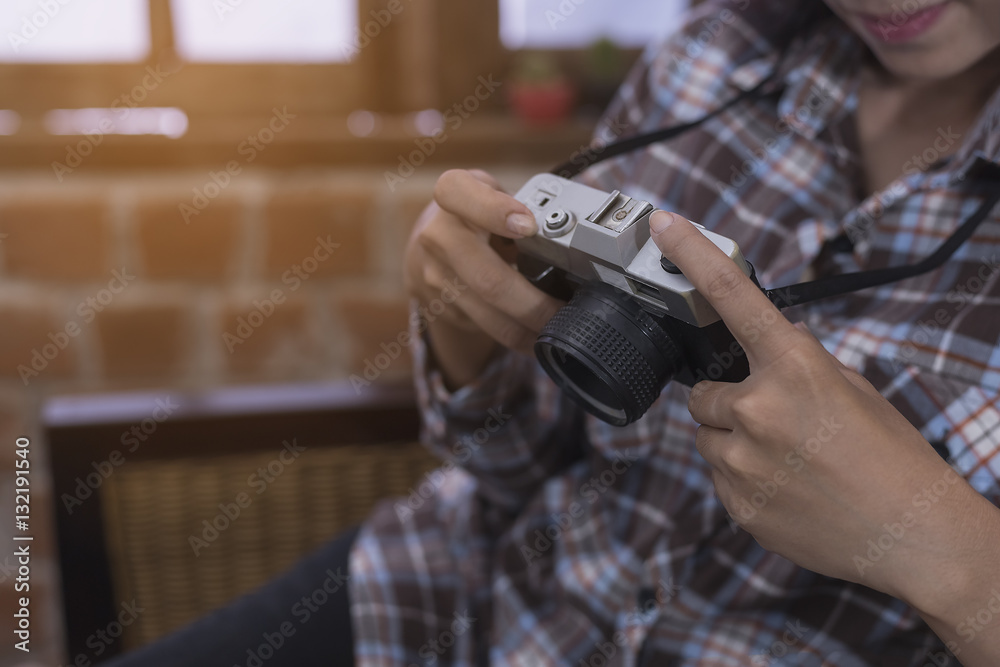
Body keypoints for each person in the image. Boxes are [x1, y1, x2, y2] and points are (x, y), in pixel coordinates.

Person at [105, 0, 1000, 665]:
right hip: (451, 599)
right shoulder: (713, 60)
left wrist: (952, 560)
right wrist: (467, 325)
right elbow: (512, 472)